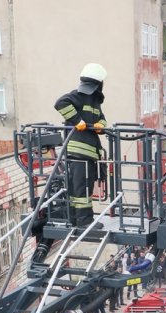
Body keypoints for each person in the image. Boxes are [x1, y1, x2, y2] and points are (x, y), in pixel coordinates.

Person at [54, 63, 108, 227]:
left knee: (82, 187)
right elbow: (60, 103)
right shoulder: (77, 96)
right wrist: (77, 121)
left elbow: (102, 117)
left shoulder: (95, 102)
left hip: (89, 154)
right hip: (78, 154)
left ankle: (74, 219)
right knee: (81, 189)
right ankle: (84, 222)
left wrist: (101, 125)